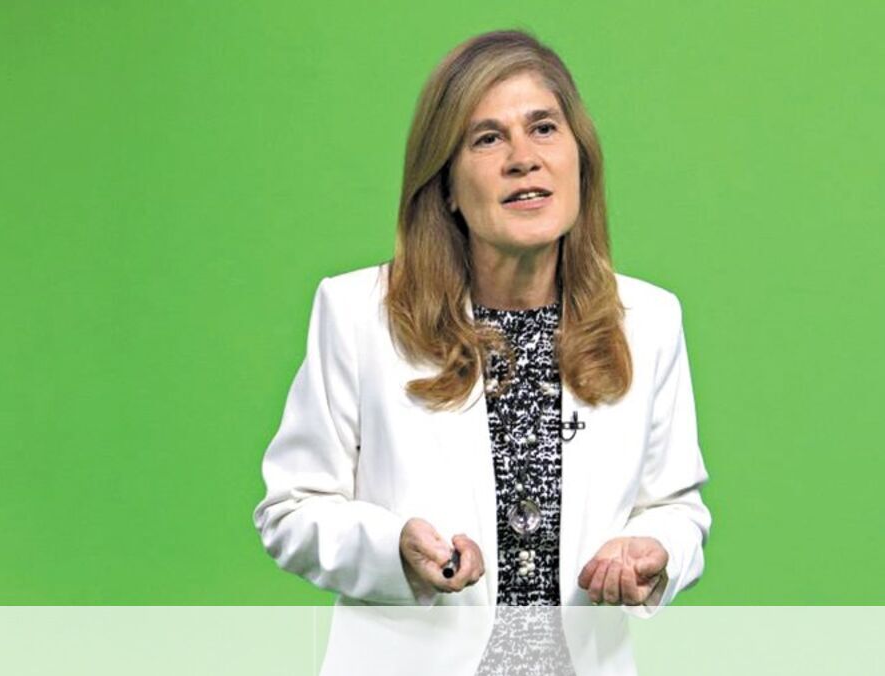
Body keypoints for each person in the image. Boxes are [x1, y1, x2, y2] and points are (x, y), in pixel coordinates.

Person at [252, 29, 711, 676]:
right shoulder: (357, 313)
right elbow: (290, 511)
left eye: (544, 129)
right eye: (488, 139)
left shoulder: (650, 320)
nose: (524, 159)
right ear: (445, 184)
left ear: (580, 159)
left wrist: (654, 551)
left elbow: (677, 509)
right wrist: (394, 548)